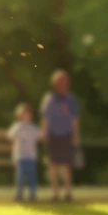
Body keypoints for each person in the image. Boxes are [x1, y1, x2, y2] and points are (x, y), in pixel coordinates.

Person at [40, 69, 80, 202]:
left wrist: (76, 135)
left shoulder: (71, 99)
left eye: (64, 81)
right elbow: (45, 118)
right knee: (53, 165)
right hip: (53, 136)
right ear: (54, 83)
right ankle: (55, 193)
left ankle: (68, 192)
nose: (62, 84)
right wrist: (44, 133)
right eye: (59, 81)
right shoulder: (49, 99)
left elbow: (74, 119)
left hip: (66, 135)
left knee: (66, 165)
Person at [7, 103, 40, 202]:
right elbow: (10, 136)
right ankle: (19, 195)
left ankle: (32, 195)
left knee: (32, 177)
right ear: (20, 115)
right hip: (20, 157)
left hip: (31, 157)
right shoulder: (17, 127)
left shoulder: (33, 128)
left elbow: (41, 135)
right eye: (24, 114)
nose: (26, 116)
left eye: (28, 114)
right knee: (20, 178)